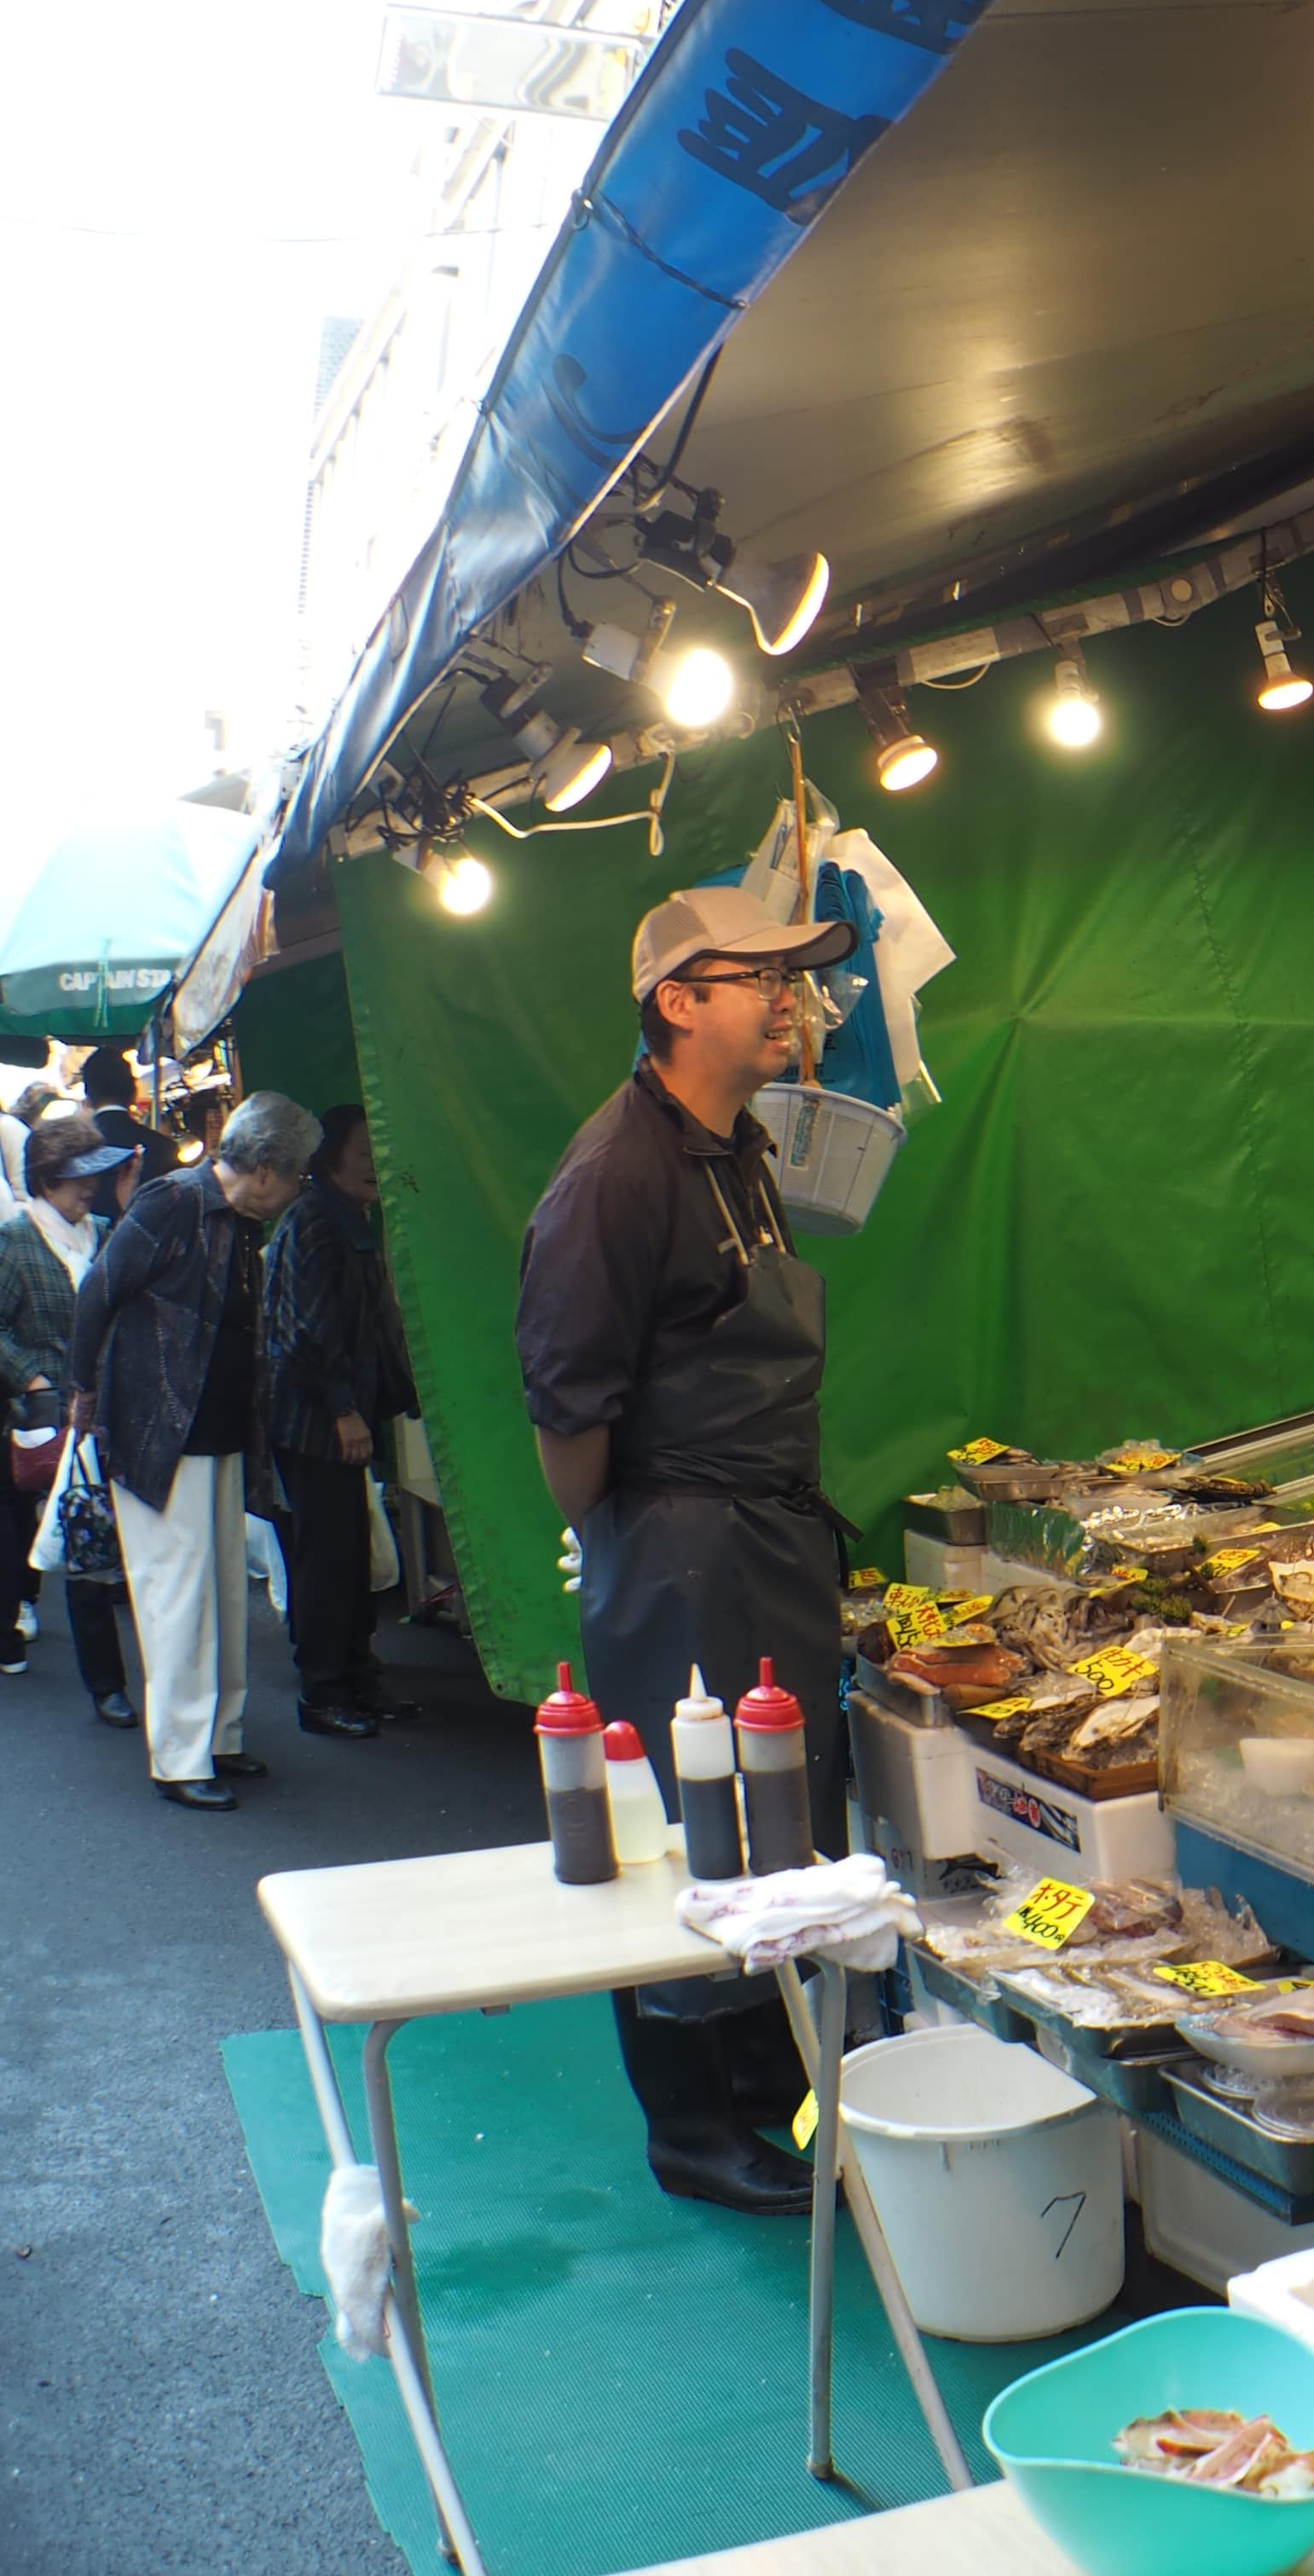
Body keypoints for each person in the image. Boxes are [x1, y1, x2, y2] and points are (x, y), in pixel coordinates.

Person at [518, 885, 857, 2214]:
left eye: (797, 977)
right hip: (678, 1543)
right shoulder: (614, 1175)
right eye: (760, 976)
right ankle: (694, 2129)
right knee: (690, 1829)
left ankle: (778, 2092)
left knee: (779, 1821)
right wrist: (621, 1543)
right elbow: (565, 1399)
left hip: (764, 1533)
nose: (792, 998)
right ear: (677, 1001)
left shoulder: (739, 1148)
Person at [69, 1092, 315, 1809]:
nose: (298, 1188)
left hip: (216, 1430)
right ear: (265, 1170)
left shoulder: (231, 1218)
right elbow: (98, 1295)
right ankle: (180, 1757)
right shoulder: (174, 1200)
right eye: (296, 1175)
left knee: (219, 1592)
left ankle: (220, 1737)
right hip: (158, 1430)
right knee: (178, 1594)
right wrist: (83, 1396)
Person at [263, 1105, 421, 1737]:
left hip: (340, 1417)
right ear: (329, 1159)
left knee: (349, 1555)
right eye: (363, 1152)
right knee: (327, 1559)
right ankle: (323, 1692)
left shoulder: (347, 1216)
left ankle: (357, 1676)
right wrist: (345, 1409)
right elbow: (304, 1329)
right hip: (315, 1422)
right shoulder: (314, 1220)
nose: (374, 1164)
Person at [0, 1115, 135, 1689]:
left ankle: (112, 1683)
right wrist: (32, 1379)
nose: (88, 1188)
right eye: (77, 1179)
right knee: (79, 1544)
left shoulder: (106, 1231)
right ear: (47, 1180)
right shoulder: (14, 1241)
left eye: (93, 1178)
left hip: (109, 1413)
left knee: (97, 1547)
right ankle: (106, 1686)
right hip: (48, 1421)